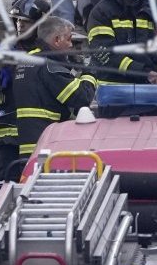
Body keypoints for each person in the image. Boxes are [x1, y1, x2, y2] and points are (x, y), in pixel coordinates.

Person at [0, 0, 50, 182]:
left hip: (41, 134)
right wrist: (0, 72)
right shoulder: (3, 51)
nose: (20, 26)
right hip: (8, 136)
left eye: (26, 22)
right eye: (17, 21)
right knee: (6, 189)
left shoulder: (52, 52)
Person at [15, 16, 96, 162]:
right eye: (69, 39)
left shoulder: (26, 61)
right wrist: (89, 72)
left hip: (28, 147)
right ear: (57, 40)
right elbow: (81, 98)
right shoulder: (50, 67)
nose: (71, 45)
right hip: (48, 148)